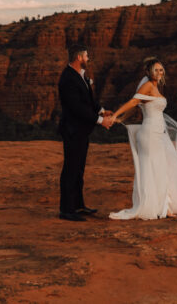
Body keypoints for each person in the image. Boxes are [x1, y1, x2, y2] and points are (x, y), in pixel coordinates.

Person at [104, 57, 177, 220]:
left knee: (162, 168)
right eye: (156, 70)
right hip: (150, 133)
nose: (159, 73)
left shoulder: (155, 86)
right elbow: (134, 101)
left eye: (161, 70)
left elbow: (138, 105)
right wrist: (116, 115)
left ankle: (164, 206)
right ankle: (156, 207)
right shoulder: (147, 86)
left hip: (158, 133)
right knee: (153, 168)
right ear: (148, 72)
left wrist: (122, 119)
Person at [57, 43, 112, 222]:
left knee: (79, 169)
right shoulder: (68, 79)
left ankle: (78, 205)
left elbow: (88, 101)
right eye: (86, 56)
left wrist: (102, 110)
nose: (88, 59)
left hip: (81, 131)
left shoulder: (80, 76)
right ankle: (66, 210)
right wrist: (100, 121)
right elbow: (77, 108)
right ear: (79, 57)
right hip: (72, 130)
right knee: (71, 169)